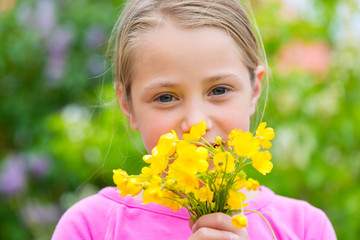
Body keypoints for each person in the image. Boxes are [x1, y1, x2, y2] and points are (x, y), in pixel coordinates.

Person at [52, 0, 337, 239]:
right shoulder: (90, 227)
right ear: (127, 106)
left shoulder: (305, 228)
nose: (195, 123)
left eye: (219, 90)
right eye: (166, 97)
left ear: (254, 90)